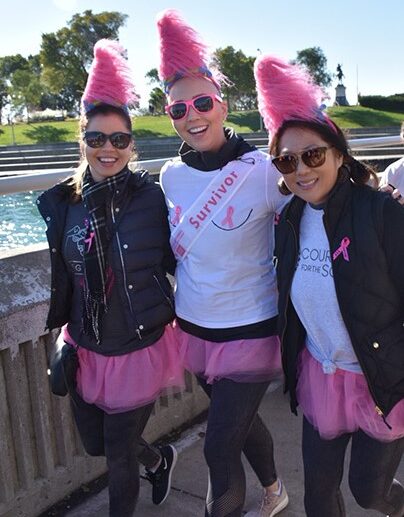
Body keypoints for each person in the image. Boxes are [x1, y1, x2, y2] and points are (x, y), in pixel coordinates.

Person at [37, 39, 183, 516]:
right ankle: (159, 459)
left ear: (132, 145)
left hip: (138, 344)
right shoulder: (63, 204)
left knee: (118, 458)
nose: (108, 149)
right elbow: (65, 275)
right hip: (84, 343)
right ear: (83, 141)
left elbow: (185, 256)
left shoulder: (153, 197)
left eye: (119, 139)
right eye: (97, 138)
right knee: (99, 445)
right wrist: (62, 334)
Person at [255, 54, 404, 516]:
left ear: (339, 154)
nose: (301, 170)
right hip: (322, 376)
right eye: (286, 160)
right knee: (318, 498)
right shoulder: (290, 219)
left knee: (369, 493)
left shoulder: (382, 212)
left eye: (314, 155)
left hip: (381, 377)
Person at [156, 9, 289, 517]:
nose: (193, 115)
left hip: (250, 328)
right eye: (178, 108)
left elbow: (316, 211)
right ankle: (276, 488)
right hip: (195, 327)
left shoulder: (262, 170)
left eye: (203, 102)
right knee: (237, 421)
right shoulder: (169, 177)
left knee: (217, 446)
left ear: (223, 104)